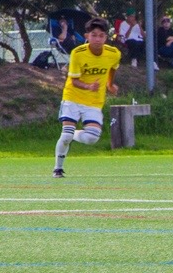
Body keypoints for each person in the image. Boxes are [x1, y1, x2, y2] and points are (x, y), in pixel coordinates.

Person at [52, 18, 121, 177]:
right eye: (94, 35)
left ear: (106, 37)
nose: (97, 39)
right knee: (66, 134)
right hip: (73, 97)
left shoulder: (113, 54)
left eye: (101, 36)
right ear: (87, 36)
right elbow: (74, 81)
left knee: (92, 138)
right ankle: (58, 168)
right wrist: (89, 86)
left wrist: (110, 85)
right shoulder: (78, 53)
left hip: (94, 101)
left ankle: (74, 135)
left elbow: (113, 68)